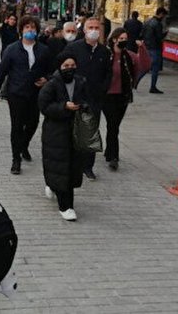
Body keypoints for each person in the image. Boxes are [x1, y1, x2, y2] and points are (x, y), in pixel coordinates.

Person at [0, 15, 52, 175]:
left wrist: (47, 79)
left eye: (33, 28)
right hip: (16, 93)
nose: (30, 30)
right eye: (27, 28)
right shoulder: (12, 49)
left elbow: (51, 70)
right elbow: (1, 72)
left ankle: (23, 145)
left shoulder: (44, 50)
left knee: (33, 123)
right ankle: (16, 159)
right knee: (17, 126)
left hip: (36, 93)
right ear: (21, 30)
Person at [38, 56, 90, 221]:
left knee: (72, 167)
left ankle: (54, 187)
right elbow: (44, 106)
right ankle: (66, 206)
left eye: (73, 65)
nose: (70, 68)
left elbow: (87, 99)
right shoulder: (52, 84)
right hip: (56, 133)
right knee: (60, 166)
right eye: (66, 65)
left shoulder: (80, 82)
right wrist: (63, 107)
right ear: (60, 67)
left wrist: (84, 106)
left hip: (75, 130)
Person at [62, 17, 112, 181]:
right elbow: (64, 69)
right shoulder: (74, 48)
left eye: (97, 27)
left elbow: (107, 74)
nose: (94, 30)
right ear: (83, 30)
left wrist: (102, 91)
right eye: (90, 27)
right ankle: (72, 162)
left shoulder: (104, 52)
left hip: (95, 100)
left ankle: (88, 167)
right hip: (76, 98)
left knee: (91, 133)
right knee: (73, 131)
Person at [103, 28, 149, 171]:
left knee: (114, 125)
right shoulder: (105, 54)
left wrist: (142, 48)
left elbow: (145, 65)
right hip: (107, 95)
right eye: (121, 38)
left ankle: (109, 150)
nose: (124, 41)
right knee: (113, 125)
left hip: (123, 95)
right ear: (114, 39)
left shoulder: (128, 55)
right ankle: (113, 157)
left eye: (125, 38)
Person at [141, 7, 168, 94]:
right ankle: (153, 87)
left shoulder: (147, 21)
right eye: (163, 15)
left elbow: (142, 34)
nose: (163, 17)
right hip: (155, 48)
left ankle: (134, 82)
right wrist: (165, 33)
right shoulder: (157, 24)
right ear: (161, 14)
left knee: (146, 67)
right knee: (155, 69)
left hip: (147, 47)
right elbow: (159, 37)